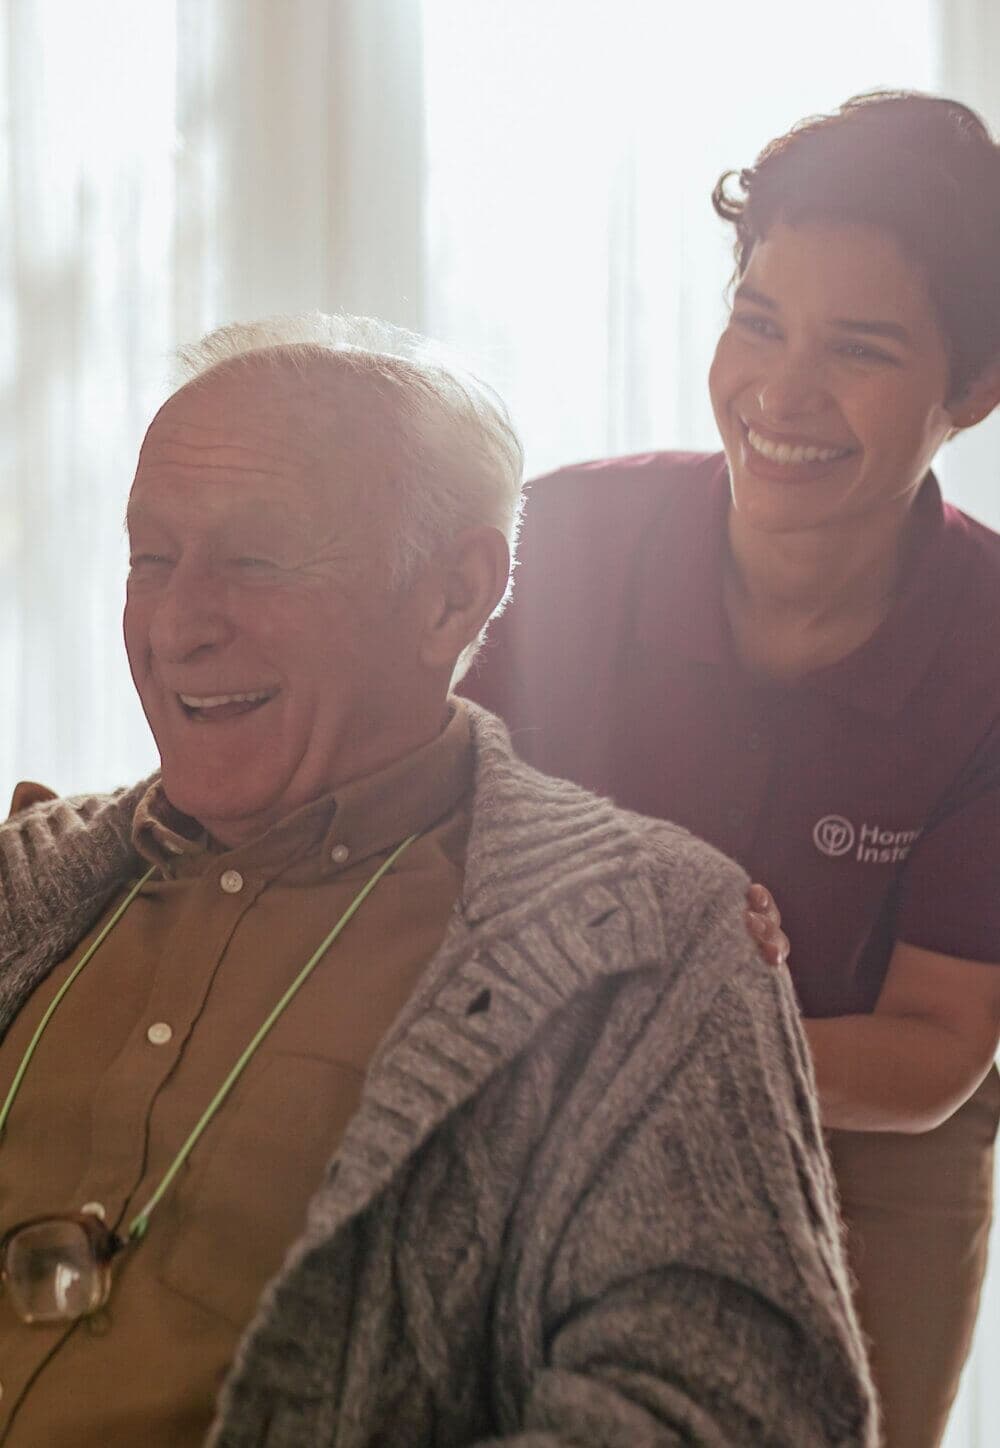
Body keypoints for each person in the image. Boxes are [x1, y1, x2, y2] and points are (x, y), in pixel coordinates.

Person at [0, 314, 876, 1446]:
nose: (176, 624)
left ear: (454, 596)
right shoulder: (30, 882)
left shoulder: (653, 936)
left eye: (256, 560)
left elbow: (725, 1414)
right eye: (150, 559)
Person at [462, 91, 1000, 1448]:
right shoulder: (566, 537)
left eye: (860, 352)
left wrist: (676, 1031)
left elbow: (935, 1051)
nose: (782, 394)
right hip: (549, 1091)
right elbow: (423, 844)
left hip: (862, 1149)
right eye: (758, 322)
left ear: (975, 391)